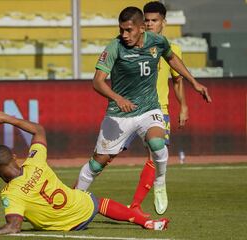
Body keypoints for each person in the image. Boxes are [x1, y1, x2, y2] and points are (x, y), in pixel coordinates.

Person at [74, 6, 211, 218]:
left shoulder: (157, 42)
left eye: (129, 30)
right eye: (121, 30)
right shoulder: (114, 47)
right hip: (119, 114)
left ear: (141, 28)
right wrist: (118, 98)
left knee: (157, 143)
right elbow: (97, 82)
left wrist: (194, 82)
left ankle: (160, 179)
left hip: (149, 108)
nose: (124, 35)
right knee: (97, 163)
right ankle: (74, 199)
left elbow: (172, 58)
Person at [0, 108, 169, 238]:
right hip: (82, 208)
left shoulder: (10, 194)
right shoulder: (34, 161)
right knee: (96, 201)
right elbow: (39, 130)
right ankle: (144, 220)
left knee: (87, 199)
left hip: (67, 226)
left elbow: (13, 227)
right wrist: (6, 118)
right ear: (15, 157)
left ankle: (143, 220)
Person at [127, 1, 190, 218]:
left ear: (164, 22)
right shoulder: (132, 46)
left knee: (155, 151)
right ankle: (78, 195)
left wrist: (183, 106)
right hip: (132, 108)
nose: (150, 24)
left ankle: (152, 191)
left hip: (158, 109)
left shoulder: (174, 50)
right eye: (147, 20)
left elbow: (178, 81)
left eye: (155, 20)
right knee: (103, 157)